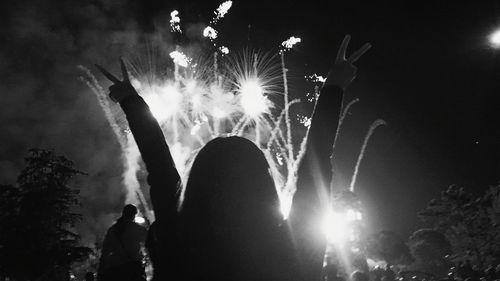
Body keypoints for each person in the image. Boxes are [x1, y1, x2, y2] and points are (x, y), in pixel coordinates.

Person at [96, 35, 371, 281]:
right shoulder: (291, 246)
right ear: (263, 182)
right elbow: (316, 165)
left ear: (198, 182)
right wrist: (334, 87)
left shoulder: (176, 239)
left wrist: (130, 101)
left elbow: (160, 167)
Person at [98, 204, 147, 281]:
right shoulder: (138, 229)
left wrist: (101, 267)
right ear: (134, 215)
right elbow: (148, 243)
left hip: (117, 267)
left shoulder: (113, 230)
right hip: (134, 266)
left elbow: (105, 250)